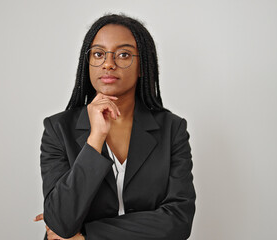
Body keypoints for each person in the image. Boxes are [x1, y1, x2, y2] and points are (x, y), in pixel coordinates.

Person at [34, 14, 196, 240]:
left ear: (142, 66)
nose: (108, 64)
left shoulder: (172, 129)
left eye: (123, 55)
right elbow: (61, 221)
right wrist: (95, 138)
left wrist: (88, 235)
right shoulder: (57, 129)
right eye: (99, 54)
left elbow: (178, 221)